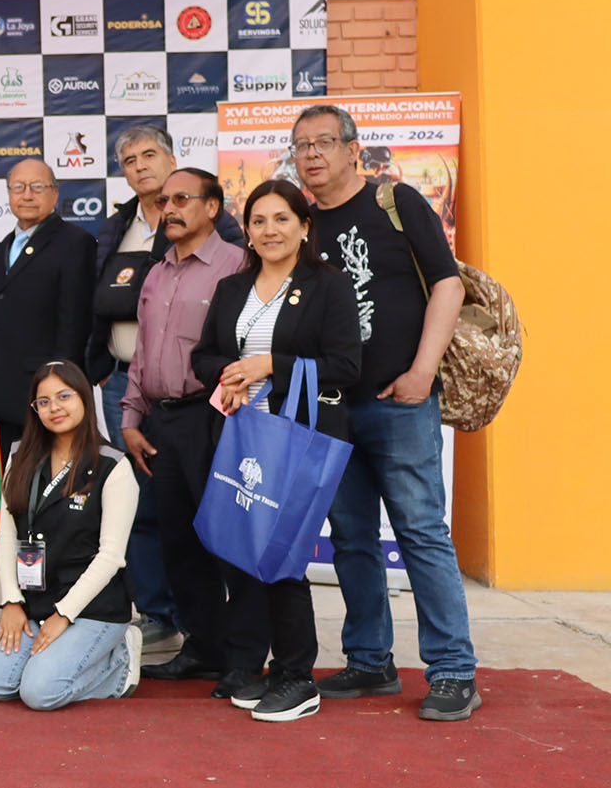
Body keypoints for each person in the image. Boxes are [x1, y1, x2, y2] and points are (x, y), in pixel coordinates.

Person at [293, 104, 479, 721]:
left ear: (353, 149)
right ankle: (370, 661)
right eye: (301, 146)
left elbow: (447, 283)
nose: (312, 154)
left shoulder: (395, 202)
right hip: (332, 408)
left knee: (421, 532)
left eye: (324, 142)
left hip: (401, 402)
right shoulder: (300, 226)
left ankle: (453, 671)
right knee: (350, 538)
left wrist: (423, 371)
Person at [191, 179, 361, 722]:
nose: (270, 230)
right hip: (240, 436)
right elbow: (203, 356)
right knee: (241, 549)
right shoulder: (232, 287)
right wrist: (229, 376)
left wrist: (271, 366)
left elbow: (346, 367)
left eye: (282, 218)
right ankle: (252, 664)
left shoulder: (328, 286)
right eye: (259, 221)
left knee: (282, 555)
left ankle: (296, 677)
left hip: (296, 439)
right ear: (247, 231)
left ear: (304, 226)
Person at [86, 127, 240, 648]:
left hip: (208, 402)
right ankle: (166, 617)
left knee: (213, 515)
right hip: (132, 387)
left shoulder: (229, 247)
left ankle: (228, 637)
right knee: (150, 508)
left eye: (149, 155)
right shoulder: (121, 232)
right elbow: (116, 313)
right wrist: (109, 379)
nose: (140, 166)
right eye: (129, 160)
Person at [114, 168, 250, 692]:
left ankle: (243, 658)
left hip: (215, 417)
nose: (168, 209)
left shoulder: (237, 265)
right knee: (178, 541)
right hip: (161, 422)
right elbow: (142, 353)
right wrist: (131, 418)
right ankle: (204, 647)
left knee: (228, 541)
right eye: (164, 201)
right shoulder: (156, 272)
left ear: (212, 207)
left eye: (181, 199)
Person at [0, 361, 141, 709]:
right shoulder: (20, 456)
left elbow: (111, 556)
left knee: (40, 692)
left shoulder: (113, 465)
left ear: (84, 398)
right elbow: (7, 536)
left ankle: (121, 660)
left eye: (64, 396)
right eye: (44, 401)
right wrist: (11, 602)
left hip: (93, 608)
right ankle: (57, 659)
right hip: (36, 601)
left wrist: (64, 614)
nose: (55, 408)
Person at [0, 160, 95, 459]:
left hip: (46, 393)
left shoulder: (75, 242)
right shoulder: (6, 244)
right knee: (17, 476)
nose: (27, 195)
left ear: (55, 194)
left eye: (37, 187)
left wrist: (60, 388)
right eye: (18, 187)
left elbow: (74, 323)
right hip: (4, 394)